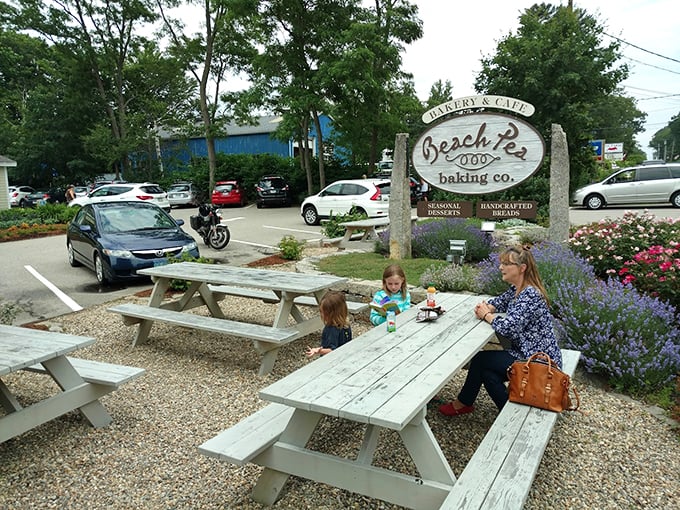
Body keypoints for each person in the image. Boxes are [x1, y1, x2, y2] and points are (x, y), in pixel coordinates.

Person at [439, 245, 562, 416]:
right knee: (488, 373)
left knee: (481, 360)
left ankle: (464, 403)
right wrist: (488, 306)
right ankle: (507, 413)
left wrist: (486, 315)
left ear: (522, 268)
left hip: (538, 361)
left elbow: (510, 328)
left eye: (506, 263)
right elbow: (500, 301)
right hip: (526, 353)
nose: (500, 267)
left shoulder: (530, 295)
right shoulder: (518, 290)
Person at [306, 291, 352, 357]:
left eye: (322, 312)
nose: (321, 315)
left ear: (330, 314)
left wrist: (319, 351)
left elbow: (332, 350)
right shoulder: (346, 325)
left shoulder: (331, 329)